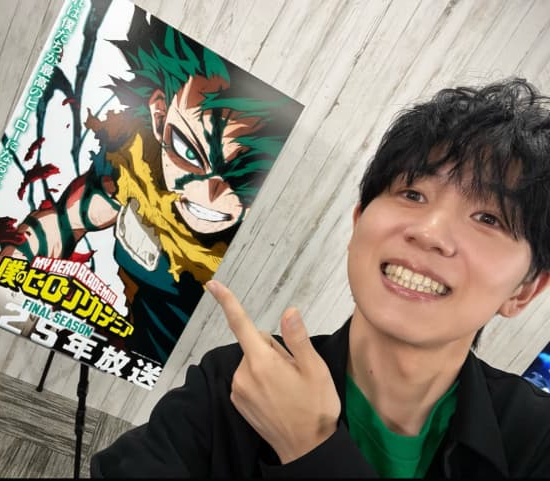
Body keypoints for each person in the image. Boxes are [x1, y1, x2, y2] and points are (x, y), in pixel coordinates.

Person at [90, 78, 550, 478]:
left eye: (488, 218)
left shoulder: (536, 439)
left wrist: (311, 448)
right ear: (358, 223)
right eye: (412, 193)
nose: (429, 233)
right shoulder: (238, 382)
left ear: (525, 289)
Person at [0, 5, 301, 366]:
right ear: (159, 115)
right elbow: (68, 219)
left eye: (241, 180)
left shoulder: (246, 246)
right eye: (189, 151)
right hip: (114, 347)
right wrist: (9, 268)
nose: (209, 192)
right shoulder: (134, 164)